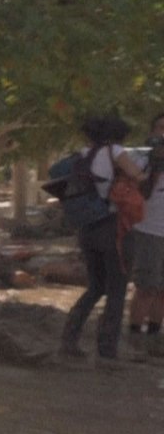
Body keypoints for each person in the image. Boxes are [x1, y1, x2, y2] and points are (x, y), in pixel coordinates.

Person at [60, 115, 144, 361]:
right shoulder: (115, 151)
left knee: (95, 287)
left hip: (88, 228)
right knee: (117, 291)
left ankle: (69, 339)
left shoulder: (83, 154)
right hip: (113, 228)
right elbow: (140, 178)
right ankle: (107, 351)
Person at [126, 112, 164, 352]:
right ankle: (135, 338)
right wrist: (155, 166)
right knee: (146, 287)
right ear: (152, 132)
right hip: (149, 230)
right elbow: (142, 193)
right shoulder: (140, 159)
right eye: (160, 128)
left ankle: (154, 337)